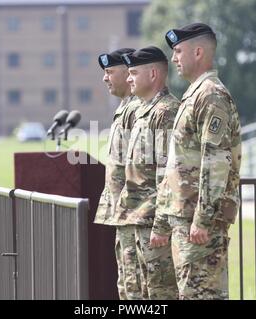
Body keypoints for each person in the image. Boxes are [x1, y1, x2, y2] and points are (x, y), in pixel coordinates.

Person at [150, 23, 242, 300]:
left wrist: (202, 219)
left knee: (202, 296)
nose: (174, 58)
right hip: (183, 217)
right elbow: (177, 165)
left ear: (198, 52)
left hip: (199, 223)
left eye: (178, 51)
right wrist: (163, 221)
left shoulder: (211, 95)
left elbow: (215, 163)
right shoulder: (194, 94)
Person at [113, 46, 179, 299]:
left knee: (160, 294)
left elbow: (168, 174)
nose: (128, 79)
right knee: (138, 292)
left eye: (133, 73)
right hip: (137, 218)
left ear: (153, 74)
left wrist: (161, 224)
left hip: (154, 222)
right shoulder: (142, 111)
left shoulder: (166, 112)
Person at [94, 48, 144, 300]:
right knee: (127, 287)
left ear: (127, 73)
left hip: (137, 214)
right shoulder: (126, 107)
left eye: (110, 72)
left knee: (138, 290)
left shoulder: (139, 109)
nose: (105, 78)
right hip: (124, 213)